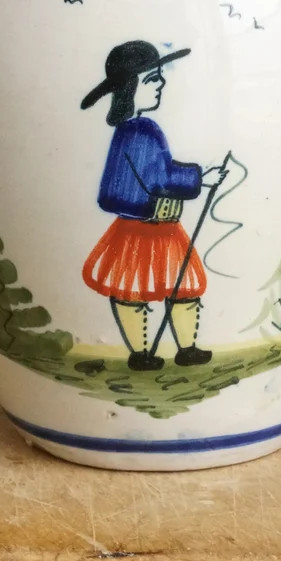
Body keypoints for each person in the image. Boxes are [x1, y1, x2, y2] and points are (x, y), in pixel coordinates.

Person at [80, 41, 226, 370]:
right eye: (152, 79)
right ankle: (151, 352)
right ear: (130, 88)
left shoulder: (139, 130)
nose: (161, 83)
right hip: (141, 229)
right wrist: (200, 177)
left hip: (161, 226)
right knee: (142, 292)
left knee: (176, 287)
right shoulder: (138, 132)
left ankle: (169, 351)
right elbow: (158, 176)